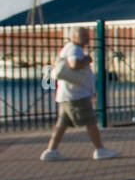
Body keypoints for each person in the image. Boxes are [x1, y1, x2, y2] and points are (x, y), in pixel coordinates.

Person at [41, 26, 119, 161]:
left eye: (87, 35)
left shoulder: (69, 47)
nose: (88, 38)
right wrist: (88, 60)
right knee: (91, 122)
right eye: (84, 35)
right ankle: (100, 150)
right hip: (77, 95)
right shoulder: (74, 49)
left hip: (67, 95)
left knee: (62, 124)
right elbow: (74, 64)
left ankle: (51, 150)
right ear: (74, 36)